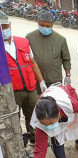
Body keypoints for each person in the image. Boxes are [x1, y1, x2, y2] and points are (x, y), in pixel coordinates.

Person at [1, 11, 46, 145]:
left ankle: (35, 138)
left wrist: (41, 80)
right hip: (12, 92)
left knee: (33, 115)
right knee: (14, 119)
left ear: (9, 24)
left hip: (30, 88)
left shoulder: (23, 42)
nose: (3, 30)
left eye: (4, 26)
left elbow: (32, 63)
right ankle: (19, 142)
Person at [26, 11, 71, 94]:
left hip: (54, 79)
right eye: (42, 25)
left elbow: (66, 59)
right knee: (38, 103)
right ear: (38, 23)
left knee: (55, 104)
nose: (45, 28)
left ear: (52, 25)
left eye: (48, 26)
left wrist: (67, 76)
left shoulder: (60, 39)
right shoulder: (30, 37)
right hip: (36, 80)